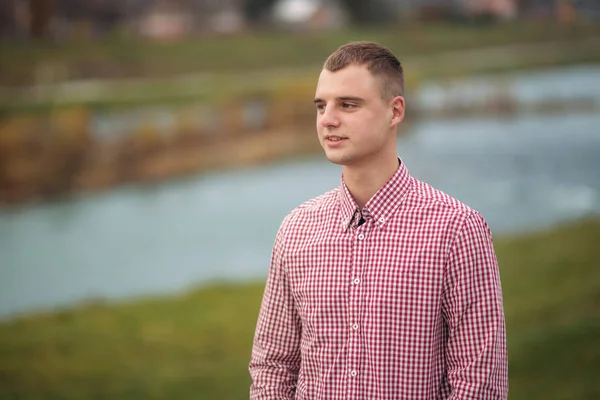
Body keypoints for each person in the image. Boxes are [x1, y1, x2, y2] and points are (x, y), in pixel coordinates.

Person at [249, 41, 508, 400]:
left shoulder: (457, 229)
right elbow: (273, 367)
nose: (328, 119)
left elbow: (479, 382)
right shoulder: (296, 230)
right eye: (321, 106)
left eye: (348, 104)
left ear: (395, 111)